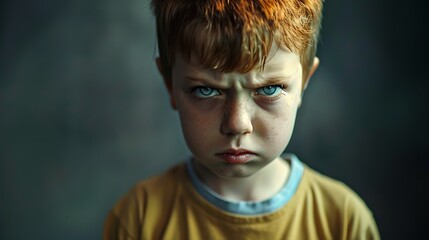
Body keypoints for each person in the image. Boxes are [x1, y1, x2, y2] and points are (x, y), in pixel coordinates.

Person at [103, 0, 380, 239]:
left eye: (268, 89)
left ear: (304, 81)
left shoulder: (342, 221)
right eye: (206, 90)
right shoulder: (137, 221)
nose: (236, 124)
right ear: (169, 84)